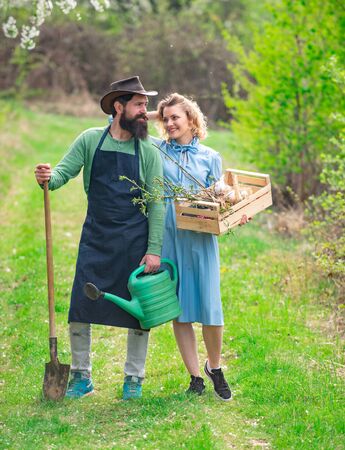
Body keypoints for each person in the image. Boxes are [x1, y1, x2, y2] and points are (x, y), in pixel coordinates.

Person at [34, 76, 164, 400]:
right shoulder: (91, 140)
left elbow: (157, 204)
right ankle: (81, 376)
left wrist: (154, 250)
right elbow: (62, 175)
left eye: (145, 105)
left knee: (139, 312)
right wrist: (47, 178)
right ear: (119, 107)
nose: (145, 111)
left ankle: (134, 379)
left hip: (134, 239)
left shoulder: (148, 151)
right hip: (96, 236)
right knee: (81, 306)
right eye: (139, 104)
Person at [150, 93, 248, 401]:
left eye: (175, 117)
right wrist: (156, 115)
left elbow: (220, 198)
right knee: (180, 311)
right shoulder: (156, 151)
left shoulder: (210, 156)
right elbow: (124, 125)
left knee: (210, 309)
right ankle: (194, 377)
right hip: (169, 236)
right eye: (164, 118)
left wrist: (234, 212)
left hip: (200, 237)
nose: (169, 123)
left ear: (192, 120)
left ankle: (214, 367)